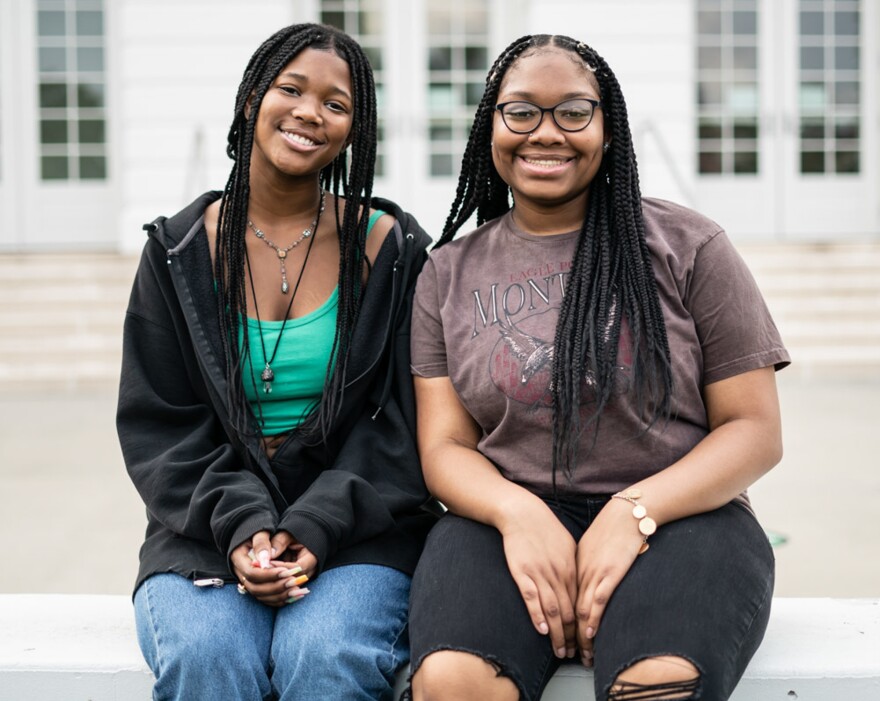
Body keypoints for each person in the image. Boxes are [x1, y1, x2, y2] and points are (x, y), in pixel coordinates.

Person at [405, 33, 790, 701]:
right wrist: (516, 513)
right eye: (521, 111)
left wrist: (634, 510)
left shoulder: (687, 246)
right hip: (503, 518)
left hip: (685, 515)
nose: (545, 132)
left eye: (573, 112)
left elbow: (755, 429)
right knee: (451, 680)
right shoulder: (446, 273)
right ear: (489, 126)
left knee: (658, 687)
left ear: (608, 129)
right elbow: (444, 446)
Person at [117, 23, 437, 701]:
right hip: (205, 529)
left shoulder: (393, 251)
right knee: (208, 654)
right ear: (250, 98)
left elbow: (406, 427)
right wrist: (241, 526)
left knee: (323, 655)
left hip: (360, 532)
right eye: (291, 88)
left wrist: (316, 522)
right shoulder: (178, 255)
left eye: (335, 103)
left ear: (355, 130)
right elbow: (160, 425)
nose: (308, 112)